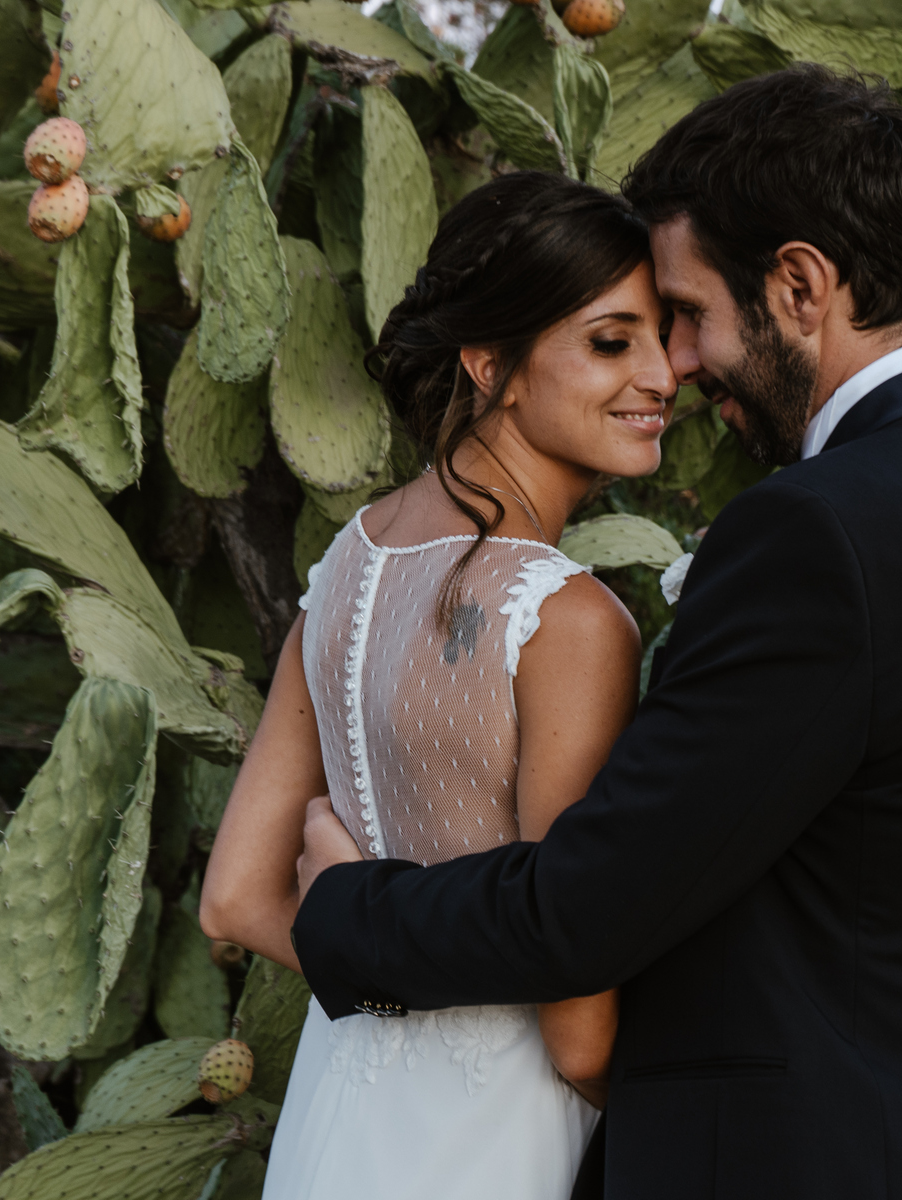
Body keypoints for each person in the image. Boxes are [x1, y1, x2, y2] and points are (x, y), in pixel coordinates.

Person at [289, 66, 902, 1199]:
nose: (677, 365)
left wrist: (347, 908)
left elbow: (590, 902)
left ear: (798, 284)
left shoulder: (823, 533)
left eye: (688, 314)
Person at [200, 171, 677, 1200]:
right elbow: (583, 1030)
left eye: (666, 334)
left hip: (332, 1128)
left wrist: (387, 983)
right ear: (490, 360)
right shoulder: (569, 621)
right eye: (612, 339)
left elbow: (236, 897)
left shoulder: (345, 565)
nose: (663, 374)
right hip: (490, 1147)